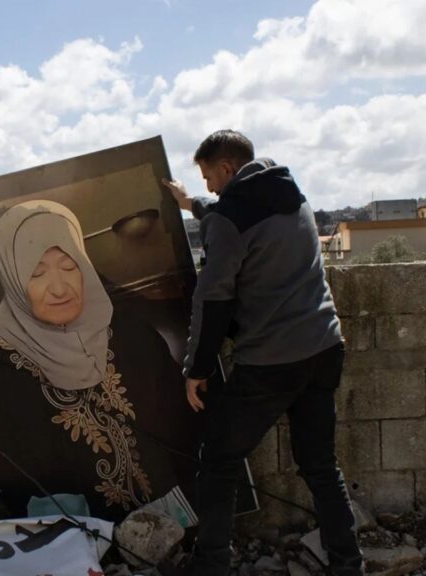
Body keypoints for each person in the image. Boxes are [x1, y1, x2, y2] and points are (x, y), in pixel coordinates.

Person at [161, 130, 364, 575]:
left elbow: (213, 300)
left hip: (272, 361)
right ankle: (349, 565)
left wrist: (197, 367)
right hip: (325, 347)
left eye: (209, 177)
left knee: (219, 459)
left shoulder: (229, 219)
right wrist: (191, 203)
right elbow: (232, 212)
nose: (210, 186)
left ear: (227, 169)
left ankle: (210, 564)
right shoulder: (292, 195)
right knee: (320, 466)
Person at [0, 199, 198, 520]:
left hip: (174, 522)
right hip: (78, 538)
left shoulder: (132, 334)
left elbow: (183, 427)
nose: (59, 288)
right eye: (36, 273)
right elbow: (12, 472)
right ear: (13, 278)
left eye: (70, 267)